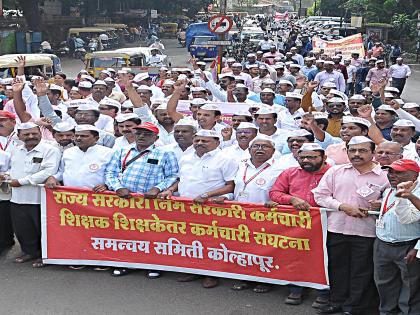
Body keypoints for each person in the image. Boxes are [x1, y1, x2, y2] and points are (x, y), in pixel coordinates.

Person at [313, 136, 389, 314]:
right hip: (336, 228)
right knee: (336, 267)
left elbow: (392, 202)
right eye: (352, 150)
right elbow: (320, 196)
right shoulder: (335, 171)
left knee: (361, 271)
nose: (356, 154)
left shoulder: (385, 175)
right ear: (346, 152)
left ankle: (354, 307)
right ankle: (336, 302)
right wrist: (342, 207)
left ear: (373, 153)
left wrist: (380, 204)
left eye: (362, 150)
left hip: (367, 231)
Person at [158, 129, 238, 288]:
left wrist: (207, 195)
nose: (200, 144)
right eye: (197, 141)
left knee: (212, 242)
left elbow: (231, 186)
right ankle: (193, 269)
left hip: (211, 208)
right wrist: (171, 190)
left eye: (205, 141)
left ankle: (212, 274)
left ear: (217, 142)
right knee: (190, 240)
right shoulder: (186, 157)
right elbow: (181, 179)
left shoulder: (226, 159)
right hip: (187, 207)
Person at [105, 122, 178, 278]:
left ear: (156, 137)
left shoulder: (165, 154)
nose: (142, 136)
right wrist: (117, 188)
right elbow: (110, 173)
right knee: (125, 234)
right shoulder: (121, 151)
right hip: (125, 200)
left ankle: (154, 265)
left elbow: (173, 176)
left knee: (153, 235)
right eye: (139, 133)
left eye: (147, 134)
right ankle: (125, 264)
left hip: (152, 203)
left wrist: (158, 188)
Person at [270, 143, 331, 309]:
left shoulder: (334, 173)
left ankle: (323, 293)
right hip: (295, 225)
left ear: (324, 158)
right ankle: (296, 289)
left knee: (324, 259)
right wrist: (292, 199)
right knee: (295, 257)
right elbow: (275, 193)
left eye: (311, 157)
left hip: (325, 224)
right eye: (302, 157)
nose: (306, 160)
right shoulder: (290, 173)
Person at [230, 134, 283, 293]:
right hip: (239, 214)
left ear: (273, 150)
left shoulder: (280, 168)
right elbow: (232, 187)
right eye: (256, 146)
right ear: (250, 149)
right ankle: (244, 276)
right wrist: (224, 198)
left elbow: (282, 191)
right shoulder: (240, 165)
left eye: (265, 146)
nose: (260, 149)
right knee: (243, 247)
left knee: (264, 249)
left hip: (265, 216)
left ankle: (265, 280)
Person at [6, 122, 60, 268]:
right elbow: (13, 169)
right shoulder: (16, 149)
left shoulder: (50, 150)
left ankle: (45, 255)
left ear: (40, 133)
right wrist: (6, 176)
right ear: (19, 136)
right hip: (17, 197)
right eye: (26, 134)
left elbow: (49, 171)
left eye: (34, 133)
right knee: (22, 228)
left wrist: (22, 181)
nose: (31, 137)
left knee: (42, 229)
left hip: (39, 198)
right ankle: (29, 252)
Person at [372, 159, 420, 315]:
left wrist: (418, 247)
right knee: (384, 284)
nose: (392, 175)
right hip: (382, 244)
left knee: (410, 288)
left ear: (413, 175)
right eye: (390, 171)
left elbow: (407, 219)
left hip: (408, 246)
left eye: (398, 172)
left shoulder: (417, 192)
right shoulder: (389, 190)